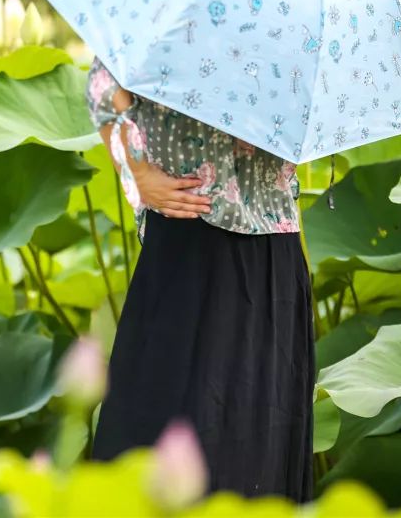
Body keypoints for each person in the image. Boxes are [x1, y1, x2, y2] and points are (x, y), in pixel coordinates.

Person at [86, 58, 314, 501]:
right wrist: (138, 174)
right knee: (218, 445)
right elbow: (103, 85)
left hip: (229, 251)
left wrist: (137, 170)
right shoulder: (300, 7)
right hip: (236, 253)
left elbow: (101, 86)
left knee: (192, 444)